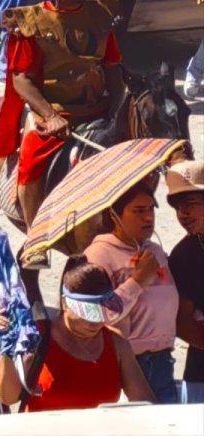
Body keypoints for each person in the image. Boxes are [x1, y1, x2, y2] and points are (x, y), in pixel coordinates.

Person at [0, 0, 122, 228]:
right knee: (32, 160)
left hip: (97, 108)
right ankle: (36, 235)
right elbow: (21, 79)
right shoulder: (32, 22)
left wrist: (118, 107)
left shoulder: (99, 15)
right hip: (52, 111)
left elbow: (112, 67)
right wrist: (50, 116)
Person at [0, 255, 154, 412]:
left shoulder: (117, 344)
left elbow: (146, 403)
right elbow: (8, 397)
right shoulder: (35, 336)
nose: (95, 322)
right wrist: (7, 350)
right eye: (87, 313)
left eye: (102, 313)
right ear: (65, 303)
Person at [82, 182, 180, 403]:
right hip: (126, 366)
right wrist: (137, 281)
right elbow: (96, 314)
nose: (148, 217)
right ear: (114, 215)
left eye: (150, 209)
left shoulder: (155, 251)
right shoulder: (97, 256)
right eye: (138, 211)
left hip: (163, 363)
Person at [165, 160, 204, 403]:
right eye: (178, 208)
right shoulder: (184, 256)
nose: (183, 214)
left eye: (190, 205)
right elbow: (182, 322)